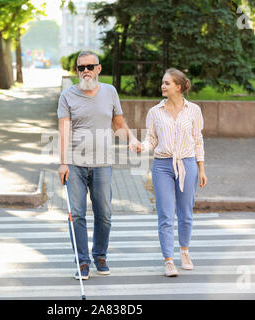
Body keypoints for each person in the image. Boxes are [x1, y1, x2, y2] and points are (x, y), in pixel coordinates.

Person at [57, 50, 139, 280]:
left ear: (99, 69)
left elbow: (118, 123)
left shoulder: (110, 92)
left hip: (103, 163)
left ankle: (100, 255)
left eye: (89, 67)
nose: (85, 71)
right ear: (77, 71)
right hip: (75, 164)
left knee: (104, 214)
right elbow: (63, 130)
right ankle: (82, 262)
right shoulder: (67, 96)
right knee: (77, 214)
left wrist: (131, 140)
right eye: (81, 68)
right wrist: (63, 163)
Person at [130, 68, 208, 277]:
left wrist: (201, 168)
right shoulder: (155, 112)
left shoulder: (194, 110)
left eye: (167, 83)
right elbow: (152, 139)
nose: (162, 86)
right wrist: (142, 147)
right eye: (162, 82)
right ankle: (169, 260)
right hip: (162, 166)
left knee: (185, 212)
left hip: (188, 164)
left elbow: (197, 139)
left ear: (179, 87)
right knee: (165, 214)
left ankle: (184, 251)